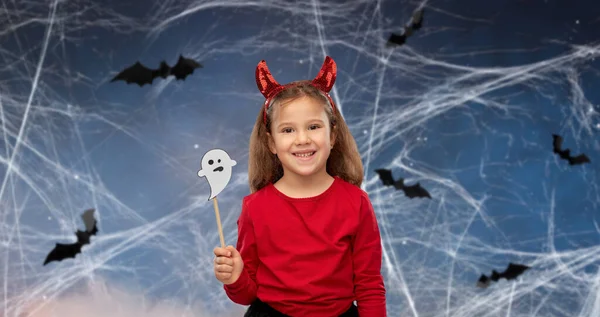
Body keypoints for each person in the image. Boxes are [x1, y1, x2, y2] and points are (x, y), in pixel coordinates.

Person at [213, 56, 387, 317]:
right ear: (271, 143)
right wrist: (235, 277)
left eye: (314, 126)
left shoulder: (356, 203)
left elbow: (370, 285)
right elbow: (248, 294)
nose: (302, 139)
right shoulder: (255, 207)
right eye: (288, 130)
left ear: (332, 135)